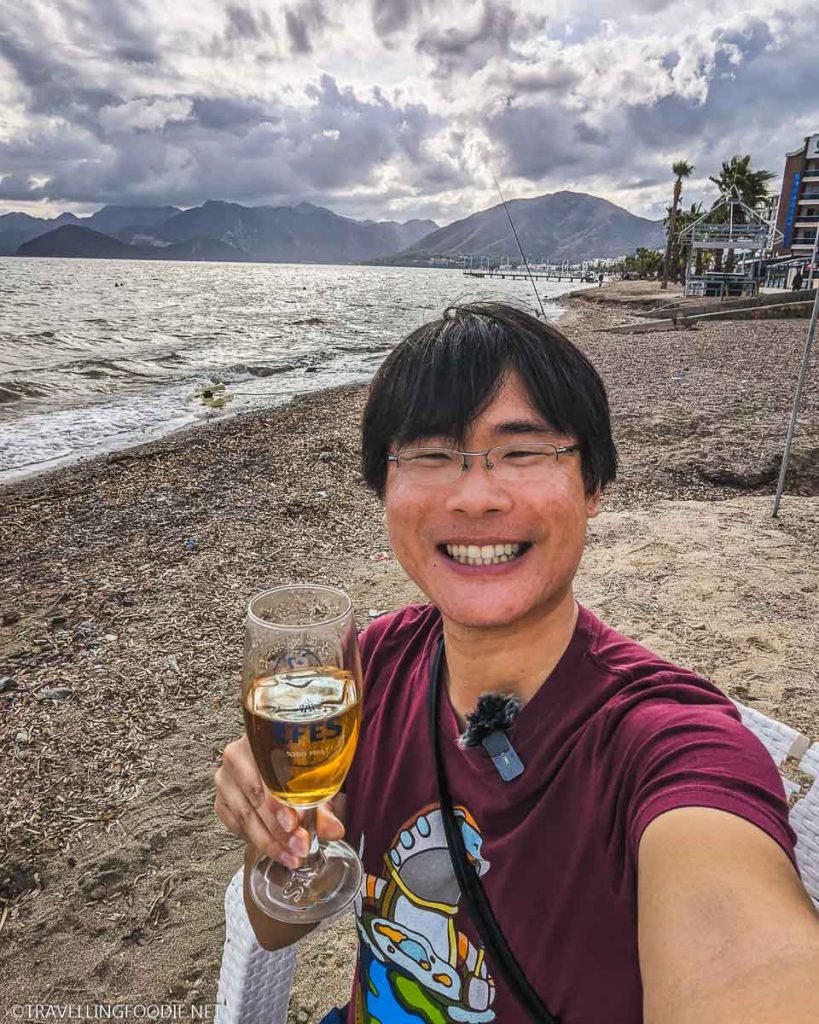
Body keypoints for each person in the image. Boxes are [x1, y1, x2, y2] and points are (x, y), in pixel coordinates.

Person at [215, 302, 819, 1023]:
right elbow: (278, 924)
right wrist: (271, 833)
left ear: (593, 486)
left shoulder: (670, 746)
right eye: (431, 455)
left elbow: (746, 956)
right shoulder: (373, 664)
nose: (474, 496)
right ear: (385, 489)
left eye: (522, 451)